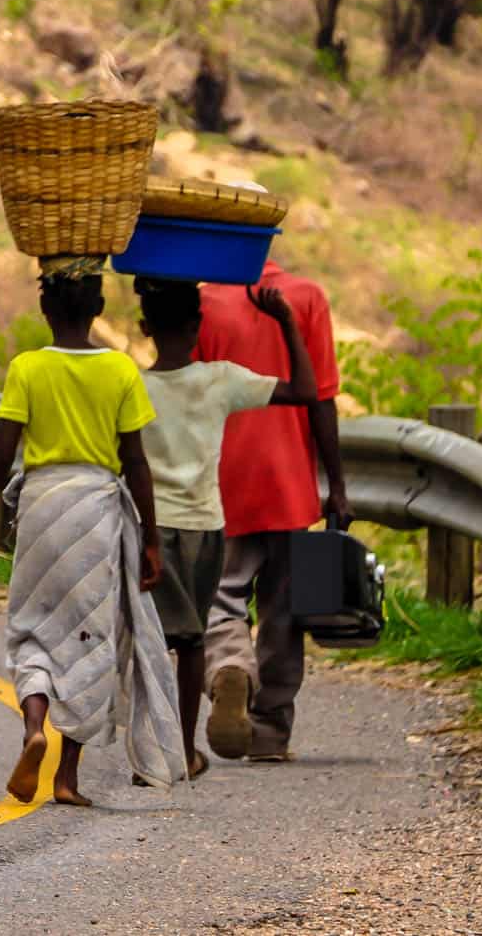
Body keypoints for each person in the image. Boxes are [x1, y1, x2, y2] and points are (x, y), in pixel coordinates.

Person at [0, 260, 185, 806]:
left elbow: (2, 454)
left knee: (33, 629)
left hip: (40, 507)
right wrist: (151, 539)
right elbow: (136, 462)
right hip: (95, 512)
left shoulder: (28, 368)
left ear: (44, 308)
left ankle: (34, 727)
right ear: (99, 309)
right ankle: (66, 778)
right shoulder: (121, 371)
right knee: (87, 639)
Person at [134, 279, 317, 779]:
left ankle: (150, 748)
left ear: (144, 326)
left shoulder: (131, 385)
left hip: (153, 527)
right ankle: (188, 751)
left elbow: (126, 461)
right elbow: (306, 391)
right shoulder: (221, 380)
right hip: (207, 525)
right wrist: (285, 324)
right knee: (194, 639)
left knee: (150, 639)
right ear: (198, 328)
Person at [196, 258, 349, 763]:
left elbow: (189, 397)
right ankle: (268, 732)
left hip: (223, 479)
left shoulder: (203, 301)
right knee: (283, 611)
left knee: (222, 597)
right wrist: (337, 486)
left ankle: (228, 669)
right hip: (289, 483)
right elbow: (321, 398)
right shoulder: (306, 297)